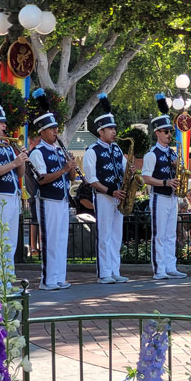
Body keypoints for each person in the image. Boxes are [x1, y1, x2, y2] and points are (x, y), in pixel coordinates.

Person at [29, 88, 77, 290]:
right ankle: (48, 280)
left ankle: (59, 277)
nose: (56, 131)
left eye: (57, 128)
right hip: (47, 200)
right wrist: (64, 168)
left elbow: (71, 177)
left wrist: (71, 167)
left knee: (60, 239)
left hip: (62, 199)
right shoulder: (37, 152)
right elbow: (41, 179)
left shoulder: (59, 150)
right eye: (52, 129)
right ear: (42, 131)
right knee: (49, 239)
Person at [0, 81, 28, 285]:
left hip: (12, 196)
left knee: (10, 242)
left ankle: (7, 280)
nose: (5, 126)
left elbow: (20, 172)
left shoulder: (8, 145)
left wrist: (22, 159)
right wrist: (15, 162)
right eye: (1, 123)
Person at [83, 93, 130, 284]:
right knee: (105, 235)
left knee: (117, 235)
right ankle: (104, 273)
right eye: (110, 128)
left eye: (114, 128)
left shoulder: (117, 149)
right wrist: (111, 191)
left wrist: (131, 171)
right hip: (104, 196)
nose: (114, 131)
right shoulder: (92, 150)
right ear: (101, 131)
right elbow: (91, 179)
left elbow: (125, 169)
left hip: (119, 196)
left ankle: (114, 270)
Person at [142, 93, 188, 280]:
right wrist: (165, 182)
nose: (169, 134)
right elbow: (145, 177)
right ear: (157, 133)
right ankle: (159, 269)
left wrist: (179, 170)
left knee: (171, 234)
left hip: (172, 197)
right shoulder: (151, 154)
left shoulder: (172, 153)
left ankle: (171, 266)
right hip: (159, 196)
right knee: (159, 234)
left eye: (170, 131)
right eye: (166, 131)